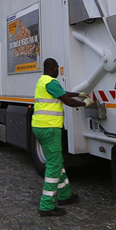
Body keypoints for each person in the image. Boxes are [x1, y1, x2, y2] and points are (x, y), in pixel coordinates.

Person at [31, 57, 93, 217]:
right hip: (50, 128)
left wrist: (78, 94)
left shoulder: (42, 81)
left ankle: (65, 196)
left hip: (39, 126)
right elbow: (67, 101)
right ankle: (46, 206)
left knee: (56, 160)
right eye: (57, 68)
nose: (58, 71)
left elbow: (63, 94)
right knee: (53, 165)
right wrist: (85, 103)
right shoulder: (51, 82)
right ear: (53, 69)